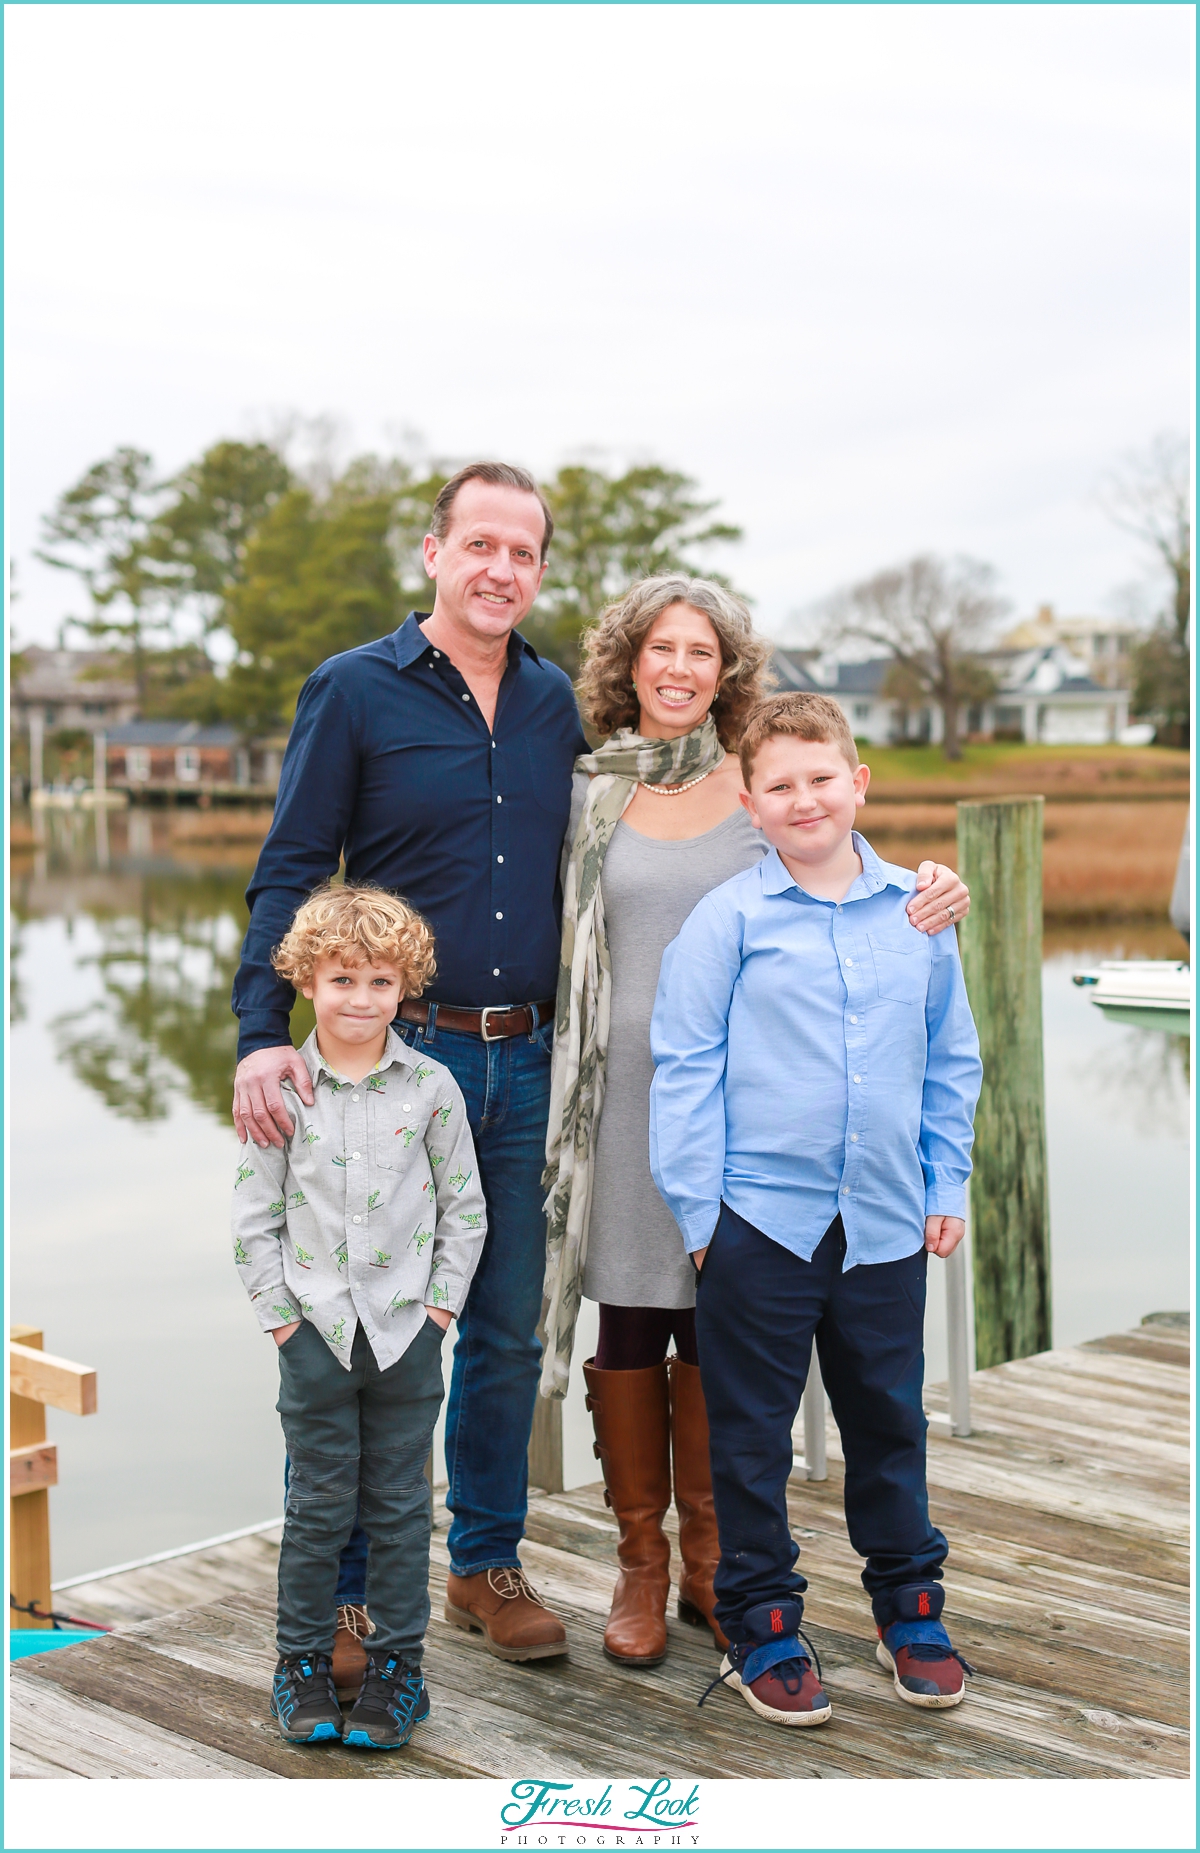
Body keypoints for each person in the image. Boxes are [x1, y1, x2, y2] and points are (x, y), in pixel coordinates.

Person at [541, 583, 971, 1670]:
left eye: (702, 650)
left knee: (719, 1335)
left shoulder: (758, 783)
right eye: (660, 648)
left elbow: (837, 858)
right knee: (634, 1319)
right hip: (617, 1088)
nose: (680, 666)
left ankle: (716, 1562)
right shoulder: (590, 789)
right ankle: (642, 1562)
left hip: (756, 1102)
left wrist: (932, 886)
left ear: (728, 668)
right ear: (627, 663)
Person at [231, 462, 587, 1678]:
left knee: (502, 1325)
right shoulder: (354, 690)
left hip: (529, 1060)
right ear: (433, 553)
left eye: (524, 552)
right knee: (347, 1327)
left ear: (541, 570)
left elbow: (724, 793)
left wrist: (882, 870)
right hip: (386, 1069)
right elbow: (288, 868)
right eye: (478, 543)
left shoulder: (559, 704)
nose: (501, 569)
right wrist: (258, 1033)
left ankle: (484, 1560)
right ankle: (339, 1591)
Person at [648, 690, 983, 1728]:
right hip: (761, 1222)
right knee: (749, 1431)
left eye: (821, 778)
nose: (805, 799)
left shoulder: (919, 913)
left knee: (888, 1415)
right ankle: (760, 1615)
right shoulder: (729, 921)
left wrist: (945, 1179)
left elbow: (950, 1060)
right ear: (751, 801)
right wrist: (703, 1218)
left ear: (859, 782)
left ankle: (908, 1604)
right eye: (781, 785)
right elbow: (684, 1068)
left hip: (884, 1219)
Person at [232, 883, 487, 1748]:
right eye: (342, 979)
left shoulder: (433, 1087)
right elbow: (252, 1219)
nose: (361, 998)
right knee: (317, 1508)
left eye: (380, 981)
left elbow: (466, 1211)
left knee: (401, 1509)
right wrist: (283, 1326)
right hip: (314, 1336)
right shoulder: (283, 1091)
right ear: (307, 981)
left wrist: (440, 1314)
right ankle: (300, 1663)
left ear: (405, 987)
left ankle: (396, 1673)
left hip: (407, 1335)